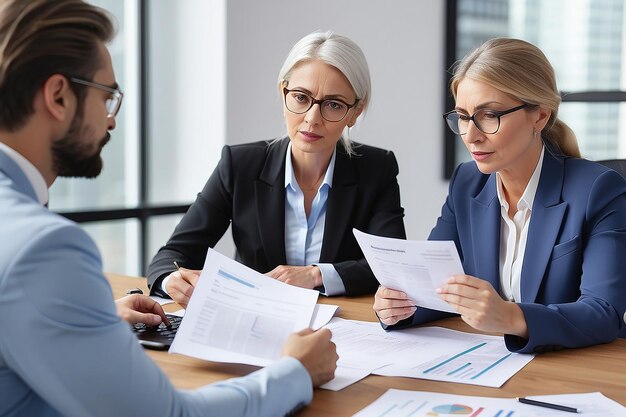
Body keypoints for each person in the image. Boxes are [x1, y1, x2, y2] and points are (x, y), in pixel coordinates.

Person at [0, 1, 337, 416]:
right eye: (107, 97)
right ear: (58, 96)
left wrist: (90, 321)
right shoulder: (44, 248)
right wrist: (296, 372)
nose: (111, 121)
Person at [374, 38, 626, 354]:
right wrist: (402, 305)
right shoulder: (467, 183)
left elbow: (603, 313)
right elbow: (437, 285)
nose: (470, 134)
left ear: (540, 116)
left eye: (489, 115)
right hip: (490, 363)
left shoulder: (599, 190)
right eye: (463, 116)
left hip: (572, 369)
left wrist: (511, 317)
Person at [147, 30, 406, 306]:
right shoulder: (240, 165)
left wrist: (316, 275)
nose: (311, 118)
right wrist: (171, 280)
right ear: (283, 93)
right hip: (255, 324)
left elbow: (392, 266)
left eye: (333, 104)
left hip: (343, 329)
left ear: (355, 111)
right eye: (301, 97)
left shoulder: (377, 169)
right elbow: (171, 256)